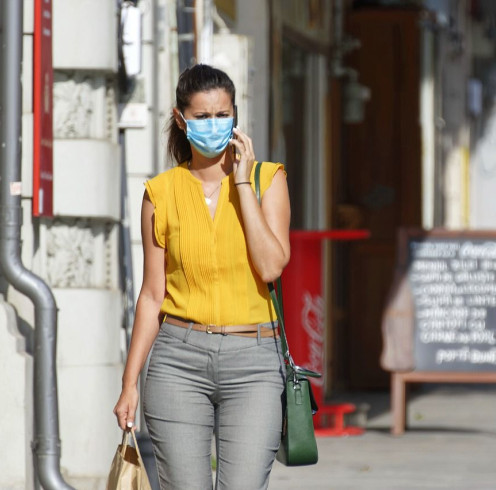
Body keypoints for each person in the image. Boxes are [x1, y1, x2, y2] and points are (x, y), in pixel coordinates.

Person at [113, 64, 291, 489]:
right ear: (181, 119)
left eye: (222, 115)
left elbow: (271, 266)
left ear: (235, 116)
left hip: (254, 360)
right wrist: (128, 382)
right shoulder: (160, 192)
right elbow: (153, 295)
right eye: (202, 117)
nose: (214, 125)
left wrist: (243, 184)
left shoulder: (270, 180)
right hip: (178, 360)